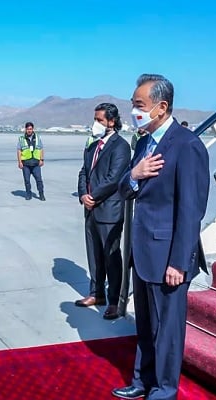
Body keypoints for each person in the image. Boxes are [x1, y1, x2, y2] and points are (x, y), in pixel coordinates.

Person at [112, 74, 209, 400]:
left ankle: (164, 391)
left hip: (169, 257)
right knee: (146, 324)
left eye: (139, 106)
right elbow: (125, 190)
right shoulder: (142, 143)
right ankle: (142, 380)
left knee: (167, 331)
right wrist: (134, 176)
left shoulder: (187, 145)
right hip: (142, 253)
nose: (134, 112)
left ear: (161, 107)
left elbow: (191, 210)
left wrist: (179, 261)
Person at [76, 103, 131, 319]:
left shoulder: (121, 147)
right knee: (94, 255)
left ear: (111, 121)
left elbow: (114, 178)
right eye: (95, 119)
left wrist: (93, 196)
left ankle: (114, 301)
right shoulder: (92, 146)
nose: (95, 124)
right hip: (90, 210)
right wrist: (83, 195)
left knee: (111, 257)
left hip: (108, 212)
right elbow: (83, 172)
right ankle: (96, 293)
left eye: (99, 120)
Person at [16, 122, 45, 201]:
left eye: (31, 129)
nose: (29, 130)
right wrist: (19, 162)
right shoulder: (22, 139)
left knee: (39, 180)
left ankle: (41, 194)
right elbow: (19, 151)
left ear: (33, 129)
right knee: (27, 181)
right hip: (26, 164)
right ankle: (28, 194)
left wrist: (42, 159)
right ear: (25, 129)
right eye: (28, 129)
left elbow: (41, 149)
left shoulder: (38, 138)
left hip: (36, 164)